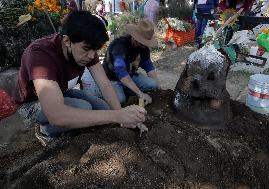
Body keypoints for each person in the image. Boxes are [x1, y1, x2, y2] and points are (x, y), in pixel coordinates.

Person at [12, 11, 146, 146]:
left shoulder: (86, 48)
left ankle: (72, 126)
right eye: (87, 49)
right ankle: (45, 130)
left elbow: (104, 84)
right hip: (31, 102)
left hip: (62, 90)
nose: (91, 56)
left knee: (104, 107)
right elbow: (56, 115)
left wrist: (120, 114)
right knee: (84, 108)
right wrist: (116, 116)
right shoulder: (40, 54)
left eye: (95, 50)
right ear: (67, 41)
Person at [82, 19, 159, 104]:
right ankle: (116, 91)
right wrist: (140, 93)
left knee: (153, 84)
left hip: (130, 75)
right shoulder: (120, 46)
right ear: (135, 37)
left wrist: (158, 88)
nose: (144, 46)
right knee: (120, 100)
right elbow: (121, 72)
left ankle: (128, 90)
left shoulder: (143, 48)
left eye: (145, 43)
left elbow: (149, 67)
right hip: (113, 78)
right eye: (141, 43)